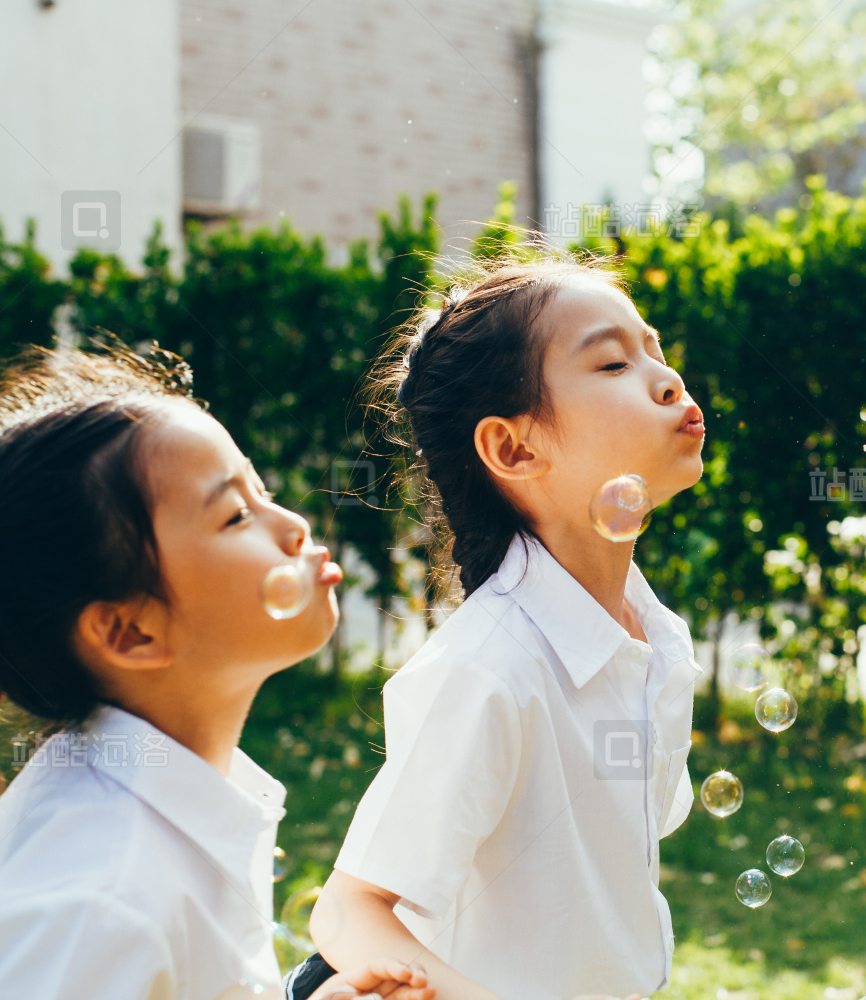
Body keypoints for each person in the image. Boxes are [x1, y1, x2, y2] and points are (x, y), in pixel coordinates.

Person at [0, 345, 432, 1000]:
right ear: (131, 632)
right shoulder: (95, 905)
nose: (293, 526)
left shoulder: (162, 809)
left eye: (264, 493)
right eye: (235, 516)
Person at [295, 254, 708, 999]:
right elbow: (349, 909)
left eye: (653, 348)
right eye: (613, 363)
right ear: (514, 448)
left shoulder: (657, 641)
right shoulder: (489, 669)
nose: (668, 377)